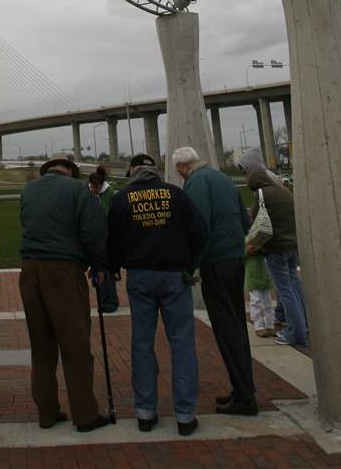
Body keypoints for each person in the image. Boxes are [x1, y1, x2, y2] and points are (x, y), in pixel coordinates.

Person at [107, 152, 207, 435]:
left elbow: (112, 239)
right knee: (182, 343)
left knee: (142, 344)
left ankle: (145, 412)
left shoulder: (122, 198)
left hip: (139, 277)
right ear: (156, 171)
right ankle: (185, 415)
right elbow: (201, 232)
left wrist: (114, 266)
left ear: (132, 171)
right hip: (174, 275)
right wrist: (190, 263)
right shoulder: (176, 195)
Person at [19, 157, 111, 432]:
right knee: (75, 344)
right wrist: (99, 265)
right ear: (70, 172)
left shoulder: (28, 191)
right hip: (63, 270)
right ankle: (85, 415)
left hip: (29, 270)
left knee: (41, 347)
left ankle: (47, 413)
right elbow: (93, 231)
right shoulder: (78, 189)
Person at [174, 146, 258, 416]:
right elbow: (245, 221)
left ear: (181, 168)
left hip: (216, 264)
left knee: (226, 330)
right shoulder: (222, 178)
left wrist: (189, 267)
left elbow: (198, 228)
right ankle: (244, 388)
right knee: (237, 325)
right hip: (235, 260)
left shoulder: (196, 183)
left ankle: (245, 398)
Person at [244, 167, 308, 349]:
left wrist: (253, 244)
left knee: (285, 291)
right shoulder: (284, 191)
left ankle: (295, 333)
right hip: (291, 247)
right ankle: (303, 326)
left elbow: (258, 222)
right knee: (293, 287)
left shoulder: (261, 194)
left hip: (275, 249)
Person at [88, 165, 120, 313]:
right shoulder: (93, 195)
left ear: (99, 185)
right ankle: (103, 302)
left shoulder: (110, 195)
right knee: (98, 272)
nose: (91, 189)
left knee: (108, 273)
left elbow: (111, 217)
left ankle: (111, 302)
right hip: (98, 241)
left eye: (93, 187)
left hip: (108, 241)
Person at [245, 252, 277, 337]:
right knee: (256, 301)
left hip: (265, 275)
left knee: (268, 302)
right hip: (252, 276)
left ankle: (270, 325)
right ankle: (258, 326)